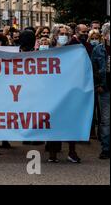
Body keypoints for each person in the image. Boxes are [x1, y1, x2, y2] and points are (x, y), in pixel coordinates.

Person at [46, 24, 81, 163]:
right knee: (53, 121)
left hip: (70, 90)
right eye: (61, 33)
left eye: (67, 34)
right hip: (52, 92)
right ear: (55, 35)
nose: (64, 36)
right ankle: (53, 153)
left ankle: (72, 151)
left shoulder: (74, 50)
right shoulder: (47, 50)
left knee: (71, 120)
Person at [92, 22, 110, 159]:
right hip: (105, 89)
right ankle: (106, 148)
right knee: (105, 120)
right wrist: (98, 84)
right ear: (105, 35)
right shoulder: (98, 50)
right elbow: (94, 68)